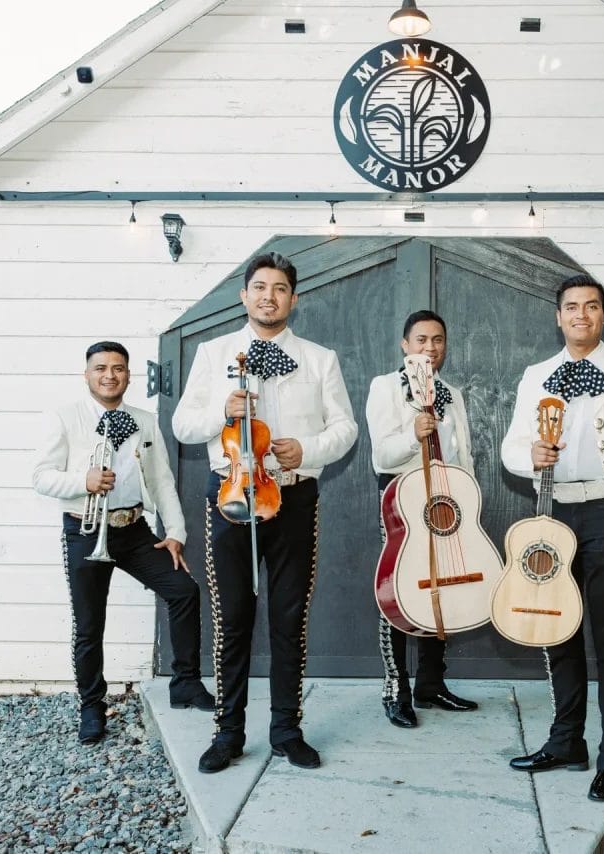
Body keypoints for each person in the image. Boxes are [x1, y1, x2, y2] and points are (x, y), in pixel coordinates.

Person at [172, 252, 357, 773]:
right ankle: (228, 732)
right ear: (244, 295)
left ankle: (286, 730)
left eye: (279, 288)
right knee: (232, 617)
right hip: (231, 496)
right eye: (259, 287)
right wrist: (220, 412)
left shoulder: (320, 358)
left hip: (293, 497)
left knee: (288, 618)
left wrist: (310, 449)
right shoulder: (213, 353)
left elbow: (345, 430)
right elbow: (185, 425)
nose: (268, 296)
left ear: (293, 299)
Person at [500, 274, 604, 803]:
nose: (581, 315)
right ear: (558, 316)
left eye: (592, 307)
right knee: (558, 630)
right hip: (551, 511)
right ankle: (566, 740)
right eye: (572, 307)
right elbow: (509, 449)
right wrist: (531, 456)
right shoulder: (536, 375)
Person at [33, 341, 213, 745]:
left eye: (118, 368)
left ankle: (185, 683)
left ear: (129, 375)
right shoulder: (65, 418)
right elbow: (41, 476)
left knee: (183, 591)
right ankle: (92, 706)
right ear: (87, 375)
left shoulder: (145, 420)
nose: (109, 375)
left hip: (133, 530)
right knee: (89, 624)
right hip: (85, 528)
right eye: (101, 368)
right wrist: (83, 481)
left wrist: (175, 534)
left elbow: (163, 481)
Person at [366, 310, 480, 728]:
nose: (429, 347)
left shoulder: (451, 392)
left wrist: (467, 506)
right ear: (404, 344)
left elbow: (462, 455)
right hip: (401, 501)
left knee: (441, 589)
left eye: (437, 340)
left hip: (445, 505)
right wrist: (412, 433)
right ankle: (395, 689)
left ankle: (431, 684)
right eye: (421, 339)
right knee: (396, 591)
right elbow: (381, 455)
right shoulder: (385, 387)